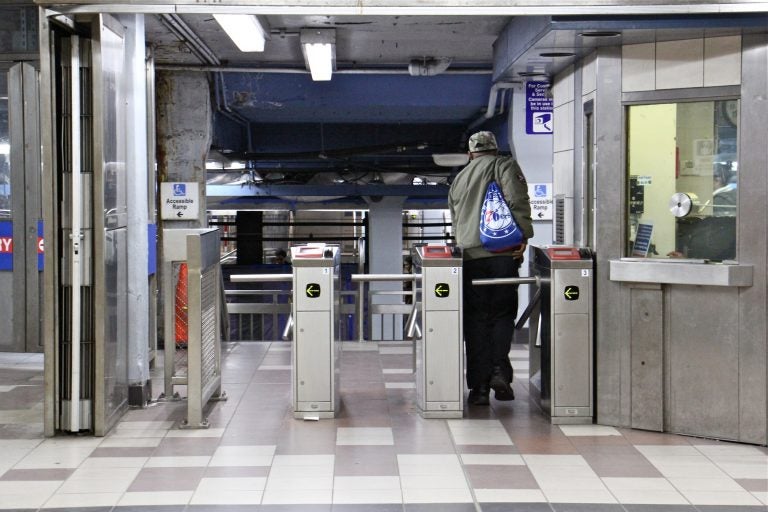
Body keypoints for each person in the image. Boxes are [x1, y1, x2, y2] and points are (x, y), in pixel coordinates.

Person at [448, 131, 534, 405]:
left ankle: (479, 388)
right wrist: (524, 235)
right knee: (501, 314)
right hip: (500, 253)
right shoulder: (504, 165)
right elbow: (517, 200)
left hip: (470, 258)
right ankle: (498, 371)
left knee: (475, 321)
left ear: (471, 153)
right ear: (495, 149)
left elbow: (455, 218)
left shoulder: (459, 178)